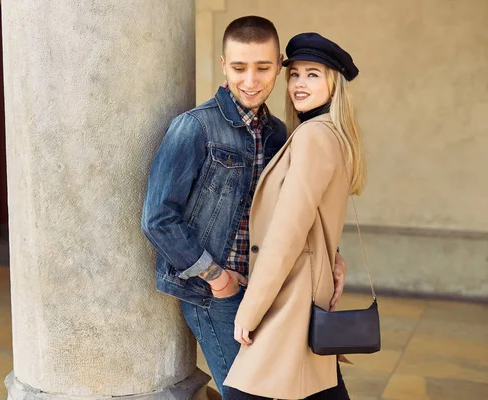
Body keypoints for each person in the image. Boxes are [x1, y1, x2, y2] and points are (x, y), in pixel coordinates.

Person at [141, 17, 347, 396]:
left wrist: (332, 252)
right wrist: (217, 279)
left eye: (263, 67)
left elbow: (294, 213)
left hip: (268, 291)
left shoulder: (280, 133)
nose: (250, 80)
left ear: (278, 64)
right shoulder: (195, 128)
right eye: (239, 67)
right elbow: (158, 218)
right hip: (217, 294)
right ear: (224, 65)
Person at [223, 32, 366, 400]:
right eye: (295, 74)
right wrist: (334, 256)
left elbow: (288, 233)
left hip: (288, 300)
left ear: (333, 85)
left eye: (313, 74)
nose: (300, 84)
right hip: (303, 296)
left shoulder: (313, 137)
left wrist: (249, 310)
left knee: (244, 391)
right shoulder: (327, 134)